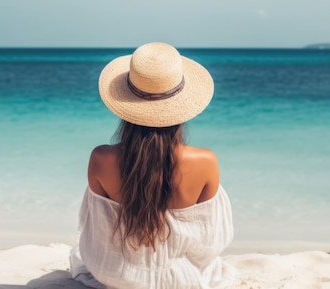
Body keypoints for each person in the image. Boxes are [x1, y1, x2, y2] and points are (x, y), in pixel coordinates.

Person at [70, 42, 235, 289]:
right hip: (180, 280)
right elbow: (211, 240)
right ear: (182, 106)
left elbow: (94, 227)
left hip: (113, 274)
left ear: (125, 106)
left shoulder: (101, 158)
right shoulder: (205, 161)